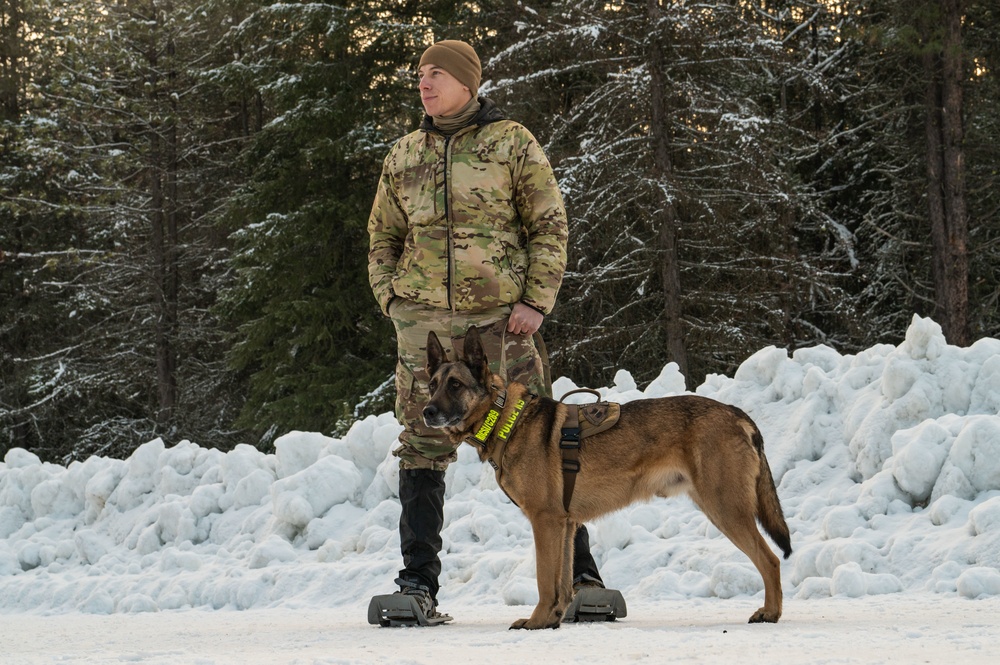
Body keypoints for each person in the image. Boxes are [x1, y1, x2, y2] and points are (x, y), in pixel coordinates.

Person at [367, 39, 614, 623]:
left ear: (467, 83)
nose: (424, 83)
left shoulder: (510, 142)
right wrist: (393, 301)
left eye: (436, 75)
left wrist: (536, 299)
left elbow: (549, 224)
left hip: (501, 328)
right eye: (420, 74)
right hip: (422, 330)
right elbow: (382, 236)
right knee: (422, 445)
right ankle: (416, 584)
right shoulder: (404, 154)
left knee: (543, 442)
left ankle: (580, 579)